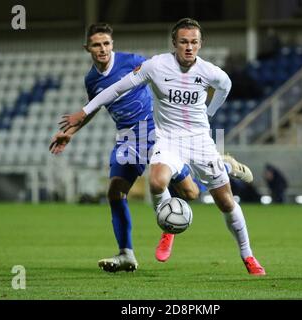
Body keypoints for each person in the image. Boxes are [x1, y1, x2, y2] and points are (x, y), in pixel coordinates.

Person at [58, 18, 265, 276]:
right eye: (183, 42)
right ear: (174, 43)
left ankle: (248, 255)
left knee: (221, 200)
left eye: (194, 42)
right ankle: (167, 228)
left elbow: (225, 87)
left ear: (201, 44)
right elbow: (117, 88)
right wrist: (84, 112)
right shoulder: (156, 66)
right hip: (166, 139)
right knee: (156, 182)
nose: (188, 47)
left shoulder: (211, 72)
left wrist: (210, 112)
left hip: (200, 141)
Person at [49, 23, 200, 273]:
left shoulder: (132, 61)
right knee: (115, 192)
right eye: (97, 45)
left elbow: (164, 70)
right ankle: (126, 254)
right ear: (87, 48)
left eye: (106, 43)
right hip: (127, 138)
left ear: (112, 45)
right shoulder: (91, 79)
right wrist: (69, 133)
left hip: (154, 130)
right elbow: (94, 107)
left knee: (191, 193)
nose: (102, 49)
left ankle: (218, 167)